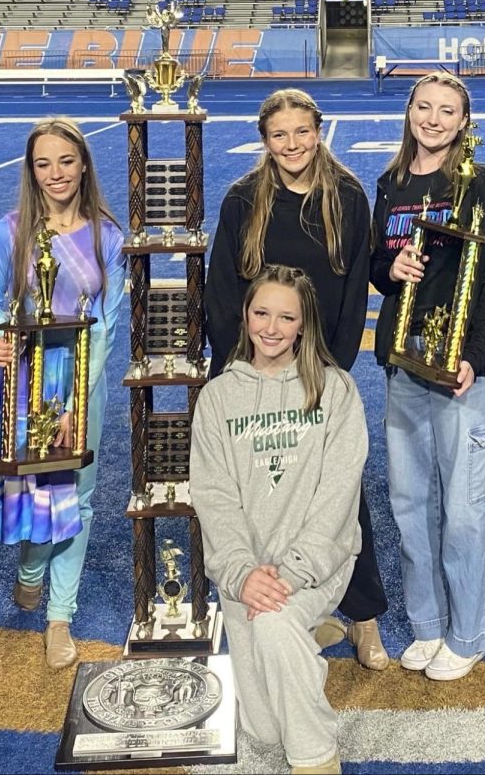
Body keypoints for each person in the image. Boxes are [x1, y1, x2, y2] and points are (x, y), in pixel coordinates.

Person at [204, 87, 390, 670]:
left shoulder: (348, 197)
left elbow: (355, 286)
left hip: (318, 374)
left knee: (338, 495)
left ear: (319, 132)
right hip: (256, 368)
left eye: (302, 132)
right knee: (259, 493)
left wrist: (327, 370)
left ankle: (364, 619)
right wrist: (246, 367)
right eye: (279, 135)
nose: (292, 144)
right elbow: (223, 292)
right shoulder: (243, 200)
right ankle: (281, 603)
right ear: (265, 140)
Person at [370, 72, 485, 680]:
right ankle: (428, 624)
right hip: (406, 360)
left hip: (463, 369)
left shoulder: (480, 187)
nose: (433, 119)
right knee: (409, 502)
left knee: (465, 506)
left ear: (464, 123)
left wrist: (475, 357)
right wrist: (391, 264)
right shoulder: (390, 183)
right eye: (423, 107)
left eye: (447, 111)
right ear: (409, 113)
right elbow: (380, 273)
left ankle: (473, 629)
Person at [190, 265, 366, 775]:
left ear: (303, 325)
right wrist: (244, 573)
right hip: (245, 573)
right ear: (244, 316)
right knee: (263, 727)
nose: (271, 327)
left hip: (316, 567)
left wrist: (288, 573)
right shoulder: (218, 398)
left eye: (286, 317)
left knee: (272, 625)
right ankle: (303, 640)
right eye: (261, 312)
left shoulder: (335, 390)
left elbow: (337, 497)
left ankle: (317, 760)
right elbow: (215, 498)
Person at [0, 117, 125, 670]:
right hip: (24, 382)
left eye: (66, 160)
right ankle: (31, 569)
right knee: (35, 491)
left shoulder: (108, 236)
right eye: (44, 163)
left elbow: (106, 325)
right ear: (31, 171)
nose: (56, 173)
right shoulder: (7, 233)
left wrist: (77, 401)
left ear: (83, 163)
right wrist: (1, 336)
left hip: (83, 379)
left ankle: (59, 615)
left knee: (76, 499)